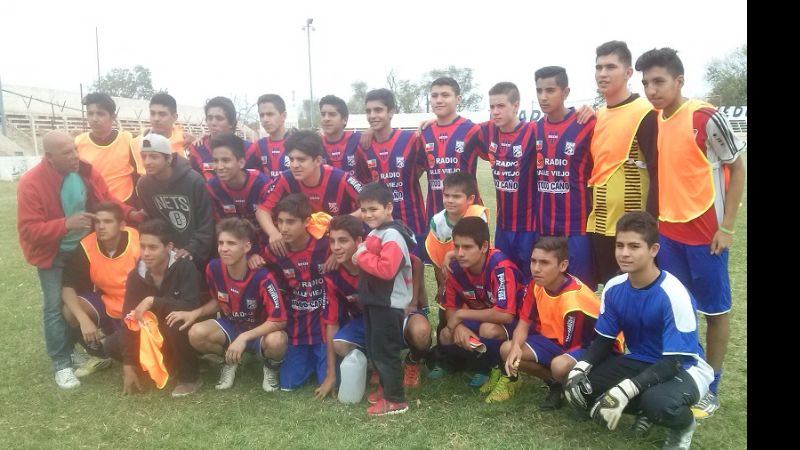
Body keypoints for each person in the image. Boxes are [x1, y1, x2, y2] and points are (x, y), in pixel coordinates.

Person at [635, 47, 747, 419]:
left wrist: (727, 227)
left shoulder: (705, 117)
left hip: (706, 237)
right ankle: (689, 373)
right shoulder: (659, 117)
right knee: (679, 310)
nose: (652, 89)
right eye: (647, 82)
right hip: (669, 235)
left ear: (679, 80)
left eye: (659, 81)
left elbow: (738, 170)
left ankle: (711, 386)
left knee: (715, 311)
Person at [564, 212, 713, 450]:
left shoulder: (674, 293)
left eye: (634, 246)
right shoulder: (614, 288)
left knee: (658, 403)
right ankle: (645, 409)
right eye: (620, 245)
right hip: (642, 360)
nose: (624, 253)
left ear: (653, 249)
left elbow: (673, 361)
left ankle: (683, 425)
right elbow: (603, 340)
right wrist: (580, 369)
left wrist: (627, 388)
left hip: (684, 367)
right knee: (585, 386)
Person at [17, 130, 138, 389]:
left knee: (78, 305)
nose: (75, 156)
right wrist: (66, 224)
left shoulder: (85, 170)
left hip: (84, 251)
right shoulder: (31, 183)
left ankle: (82, 350)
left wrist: (133, 214)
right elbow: (28, 230)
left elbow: (108, 201)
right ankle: (61, 363)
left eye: (74, 149)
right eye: (66, 153)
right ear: (49, 158)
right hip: (53, 253)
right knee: (53, 307)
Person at [316, 215, 431, 399]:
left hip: (397, 311)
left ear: (359, 241)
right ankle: (375, 363)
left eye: (343, 241)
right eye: (332, 241)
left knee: (421, 333)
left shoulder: (376, 256)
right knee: (340, 345)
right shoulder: (333, 275)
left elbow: (416, 263)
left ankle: (412, 360)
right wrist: (331, 375)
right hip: (366, 320)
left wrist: (413, 300)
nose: (336, 247)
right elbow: (331, 323)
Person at [499, 236, 620, 408]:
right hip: (557, 342)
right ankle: (555, 384)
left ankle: (583, 393)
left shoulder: (573, 299)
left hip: (593, 348)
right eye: (533, 261)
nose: (536, 268)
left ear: (562, 266)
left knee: (559, 365)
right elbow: (523, 324)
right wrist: (517, 347)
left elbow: (571, 347)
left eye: (544, 263)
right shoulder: (536, 285)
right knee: (507, 349)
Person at [185, 218, 288, 391]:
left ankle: (270, 367)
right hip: (231, 326)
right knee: (196, 333)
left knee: (278, 341)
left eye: (231, 243)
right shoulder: (213, 268)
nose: (224, 248)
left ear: (246, 247)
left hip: (258, 331)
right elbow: (218, 302)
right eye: (221, 243)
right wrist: (195, 313)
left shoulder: (263, 277)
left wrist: (243, 337)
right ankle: (229, 361)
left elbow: (279, 320)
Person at [587, 40, 658, 286]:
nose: (602, 74)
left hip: (633, 229)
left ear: (628, 73)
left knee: (639, 294)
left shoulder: (645, 112)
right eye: (598, 67)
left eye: (610, 67)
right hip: (599, 225)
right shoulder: (599, 114)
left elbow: (658, 172)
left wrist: (651, 223)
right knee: (611, 292)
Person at [435, 217, 524, 395]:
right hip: (482, 318)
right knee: (446, 334)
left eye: (467, 247)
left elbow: (505, 314)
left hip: (518, 323)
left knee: (488, 330)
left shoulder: (500, 267)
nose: (460, 253)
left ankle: (496, 368)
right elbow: (450, 309)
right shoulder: (455, 269)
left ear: (484, 247)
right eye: (456, 246)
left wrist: (461, 316)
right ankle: (472, 364)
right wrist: (458, 325)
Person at [121, 219, 208, 398]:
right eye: (142, 246)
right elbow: (129, 318)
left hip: (186, 322)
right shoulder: (135, 275)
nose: (146, 253)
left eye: (153, 247)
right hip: (154, 328)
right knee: (112, 345)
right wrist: (128, 364)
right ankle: (167, 362)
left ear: (168, 247)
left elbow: (192, 305)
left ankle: (189, 377)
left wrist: (154, 301)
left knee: (175, 324)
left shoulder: (184, 267)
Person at [353, 183, 416, 416]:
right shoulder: (376, 231)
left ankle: (395, 400)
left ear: (388, 207)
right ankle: (385, 388)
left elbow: (387, 269)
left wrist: (361, 256)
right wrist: (361, 252)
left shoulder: (393, 234)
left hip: (387, 305)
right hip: (373, 301)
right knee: (375, 348)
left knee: (386, 351)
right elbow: (367, 253)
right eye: (363, 210)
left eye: (373, 209)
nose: (368, 215)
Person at [534, 66, 598, 290]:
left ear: (566, 92)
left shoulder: (588, 123)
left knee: (580, 289)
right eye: (539, 90)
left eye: (550, 90)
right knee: (548, 288)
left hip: (576, 227)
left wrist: (594, 111)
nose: (543, 97)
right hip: (545, 227)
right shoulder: (535, 128)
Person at [259, 194, 331, 391]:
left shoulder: (326, 246)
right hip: (297, 328)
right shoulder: (274, 250)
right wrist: (253, 260)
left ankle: (335, 359)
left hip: (324, 327)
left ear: (307, 222)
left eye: (290, 222)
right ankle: (307, 363)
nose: (283, 228)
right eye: (280, 222)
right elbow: (260, 268)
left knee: (329, 379)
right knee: (288, 385)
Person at [61, 202, 140, 376]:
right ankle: (99, 355)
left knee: (138, 351)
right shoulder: (86, 246)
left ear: (121, 225)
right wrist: (83, 320)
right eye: (97, 222)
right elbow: (67, 286)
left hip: (138, 307)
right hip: (109, 302)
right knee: (70, 310)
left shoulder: (137, 240)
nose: (101, 226)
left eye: (107, 221)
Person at [255, 130, 362, 260]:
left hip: (336, 245)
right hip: (303, 247)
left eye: (301, 160)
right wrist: (273, 233)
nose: (294, 165)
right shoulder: (285, 178)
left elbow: (370, 206)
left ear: (317, 160)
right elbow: (262, 210)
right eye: (291, 159)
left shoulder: (340, 178)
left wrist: (337, 223)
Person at [358, 89, 428, 259]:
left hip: (412, 220)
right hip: (378, 224)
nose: (372, 115)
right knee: (384, 272)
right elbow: (366, 184)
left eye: (378, 110)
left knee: (415, 269)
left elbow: (421, 167)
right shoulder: (363, 147)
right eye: (368, 111)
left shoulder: (410, 139)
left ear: (391, 112)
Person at [480, 82, 539, 281]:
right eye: (492, 107)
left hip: (528, 226)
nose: (495, 112)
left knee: (530, 278)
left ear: (515, 105)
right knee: (505, 277)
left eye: (501, 106)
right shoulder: (488, 131)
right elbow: (458, 128)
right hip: (503, 226)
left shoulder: (533, 130)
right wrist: (427, 123)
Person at [136, 133, 215, 269]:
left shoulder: (194, 180)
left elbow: (206, 223)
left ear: (168, 158)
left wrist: (191, 249)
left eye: (154, 157)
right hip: (164, 253)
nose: (147, 162)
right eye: (144, 157)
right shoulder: (144, 184)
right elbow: (151, 223)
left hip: (195, 254)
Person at [418, 77, 485, 224]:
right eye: (434, 96)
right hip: (436, 213)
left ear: (458, 99)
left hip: (468, 213)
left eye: (445, 95)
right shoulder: (424, 132)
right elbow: (417, 170)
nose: (439, 100)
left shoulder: (472, 129)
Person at [205, 132, 271, 248]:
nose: (219, 167)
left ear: (241, 162)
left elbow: (273, 226)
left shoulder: (262, 183)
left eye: (225, 160)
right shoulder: (212, 187)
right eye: (215, 161)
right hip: (235, 248)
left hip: (264, 246)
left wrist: (256, 254)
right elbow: (221, 227)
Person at [75, 92, 140, 204]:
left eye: (100, 114)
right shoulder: (78, 142)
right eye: (90, 113)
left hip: (124, 202)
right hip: (94, 204)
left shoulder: (129, 140)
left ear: (113, 117)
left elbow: (141, 175)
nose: (94, 119)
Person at [187, 96, 249, 181]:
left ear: (232, 123)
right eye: (210, 118)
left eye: (219, 118)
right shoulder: (197, 148)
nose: (213, 123)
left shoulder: (248, 148)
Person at [318, 95, 368, 181]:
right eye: (323, 114)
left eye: (332, 115)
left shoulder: (358, 139)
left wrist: (372, 130)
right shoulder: (316, 145)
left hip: (358, 194)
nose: (326, 118)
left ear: (344, 119)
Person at [130, 92, 188, 162]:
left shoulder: (185, 142)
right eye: (152, 113)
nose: (156, 119)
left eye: (162, 114)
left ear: (174, 117)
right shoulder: (136, 144)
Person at [246, 94, 292, 178]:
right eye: (261, 115)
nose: (265, 120)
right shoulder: (258, 146)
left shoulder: (297, 143)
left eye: (270, 114)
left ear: (283, 116)